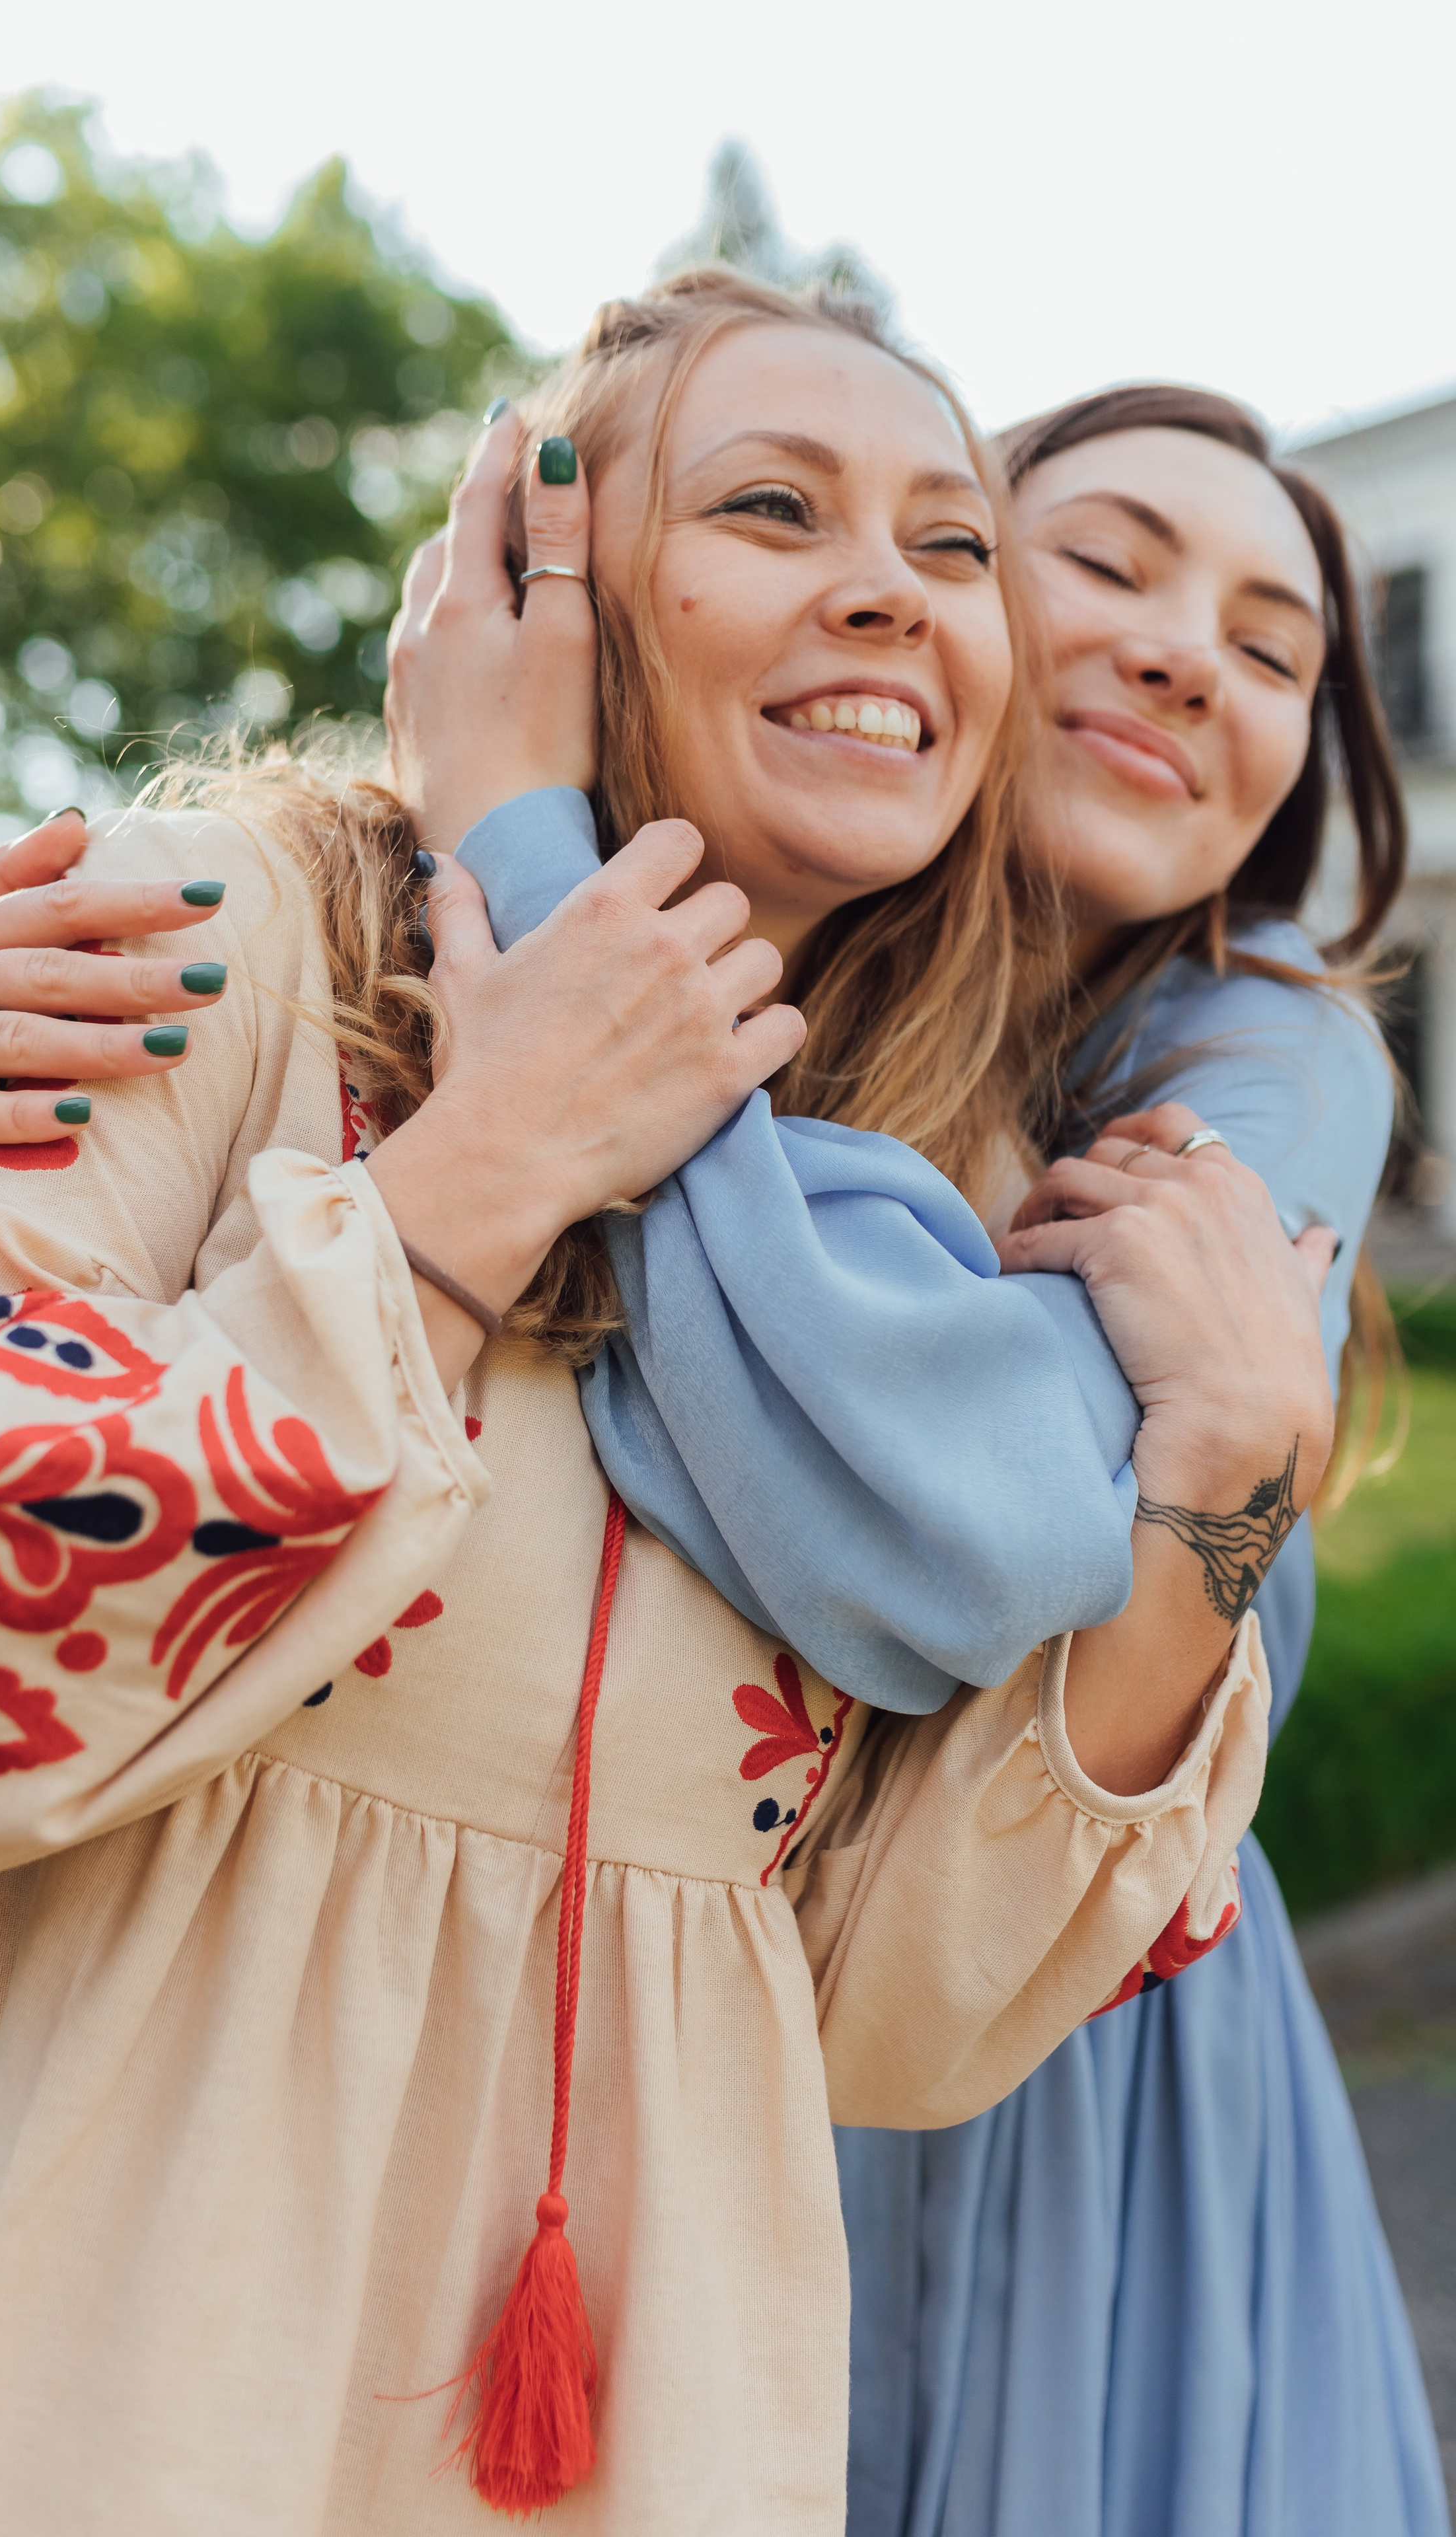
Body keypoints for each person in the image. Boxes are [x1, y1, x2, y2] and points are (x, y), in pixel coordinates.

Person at [0, 274, 1315, 2535]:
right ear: (543, 584)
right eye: (773, 507)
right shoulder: (213, 944)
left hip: (648, 2430)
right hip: (93, 2351)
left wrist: (1220, 1502)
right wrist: (479, 1182)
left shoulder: (931, 1258)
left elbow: (891, 2027)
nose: (888, 584)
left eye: (953, 542)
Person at [377, 376, 1450, 2534]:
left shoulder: (1258, 1060)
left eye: (1269, 651)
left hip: (1069, 2072)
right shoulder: (748, 986)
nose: (1183, 658)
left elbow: (954, 1518)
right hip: (664, 2043)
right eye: (1107, 568)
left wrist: (523, 842)